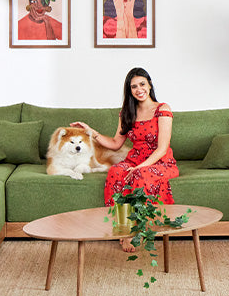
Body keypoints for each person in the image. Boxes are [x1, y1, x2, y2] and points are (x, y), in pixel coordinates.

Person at [71, 67, 179, 251]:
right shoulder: (127, 112)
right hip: (134, 160)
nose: (139, 89)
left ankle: (136, 231)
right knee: (115, 172)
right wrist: (91, 132)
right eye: (134, 86)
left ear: (150, 84)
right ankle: (122, 228)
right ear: (129, 90)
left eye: (142, 84)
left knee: (141, 176)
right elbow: (115, 143)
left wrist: (140, 168)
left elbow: (162, 149)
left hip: (160, 162)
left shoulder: (163, 109)